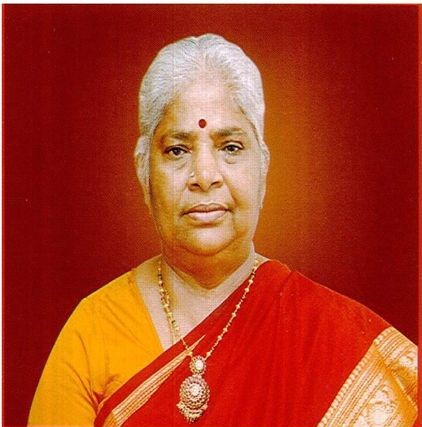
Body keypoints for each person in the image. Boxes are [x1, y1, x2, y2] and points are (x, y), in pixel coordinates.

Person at [28, 34, 417, 427]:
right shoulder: (94, 330)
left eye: (230, 147)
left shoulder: (335, 335)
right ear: (143, 171)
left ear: (263, 168)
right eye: (177, 150)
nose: (204, 175)